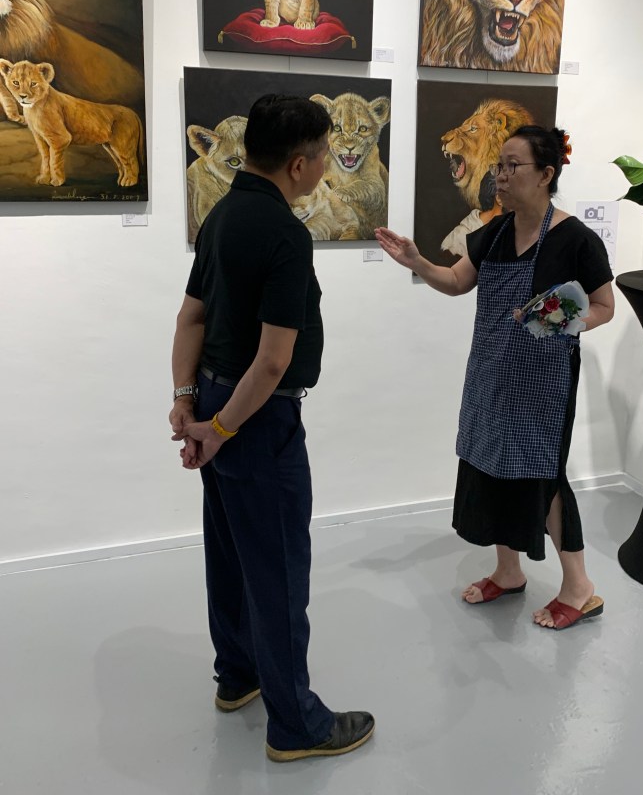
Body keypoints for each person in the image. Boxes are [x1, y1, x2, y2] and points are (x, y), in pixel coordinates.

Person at [169, 94, 374, 760]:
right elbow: (273, 360)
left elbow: (190, 318)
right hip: (255, 419)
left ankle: (238, 676)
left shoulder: (221, 214)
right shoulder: (286, 233)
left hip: (213, 399)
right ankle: (297, 725)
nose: (326, 166)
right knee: (278, 567)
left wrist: (188, 403)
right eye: (323, 156)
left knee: (231, 551)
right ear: (298, 164)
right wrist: (222, 430)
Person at [375, 126, 614, 631]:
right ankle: (509, 571)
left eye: (512, 166)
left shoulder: (575, 239)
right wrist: (417, 262)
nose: (500, 176)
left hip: (545, 386)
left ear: (545, 174)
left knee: (544, 477)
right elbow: (457, 281)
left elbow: (603, 306)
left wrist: (562, 319)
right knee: (491, 465)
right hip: (490, 374)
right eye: (499, 166)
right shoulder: (494, 233)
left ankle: (579, 587)